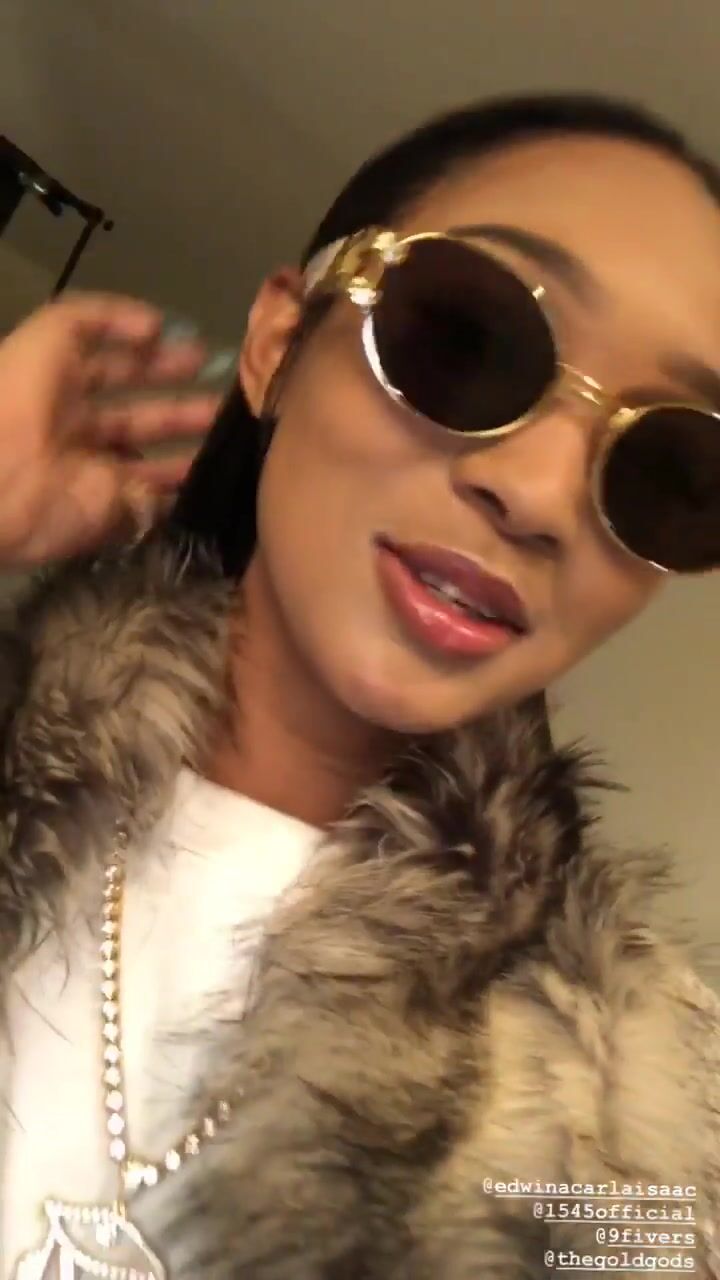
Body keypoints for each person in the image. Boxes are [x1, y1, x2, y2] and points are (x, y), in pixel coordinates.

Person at [0, 92, 718, 1279]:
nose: (538, 494)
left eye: (671, 466)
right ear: (279, 346)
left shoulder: (636, 1124)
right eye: (468, 338)